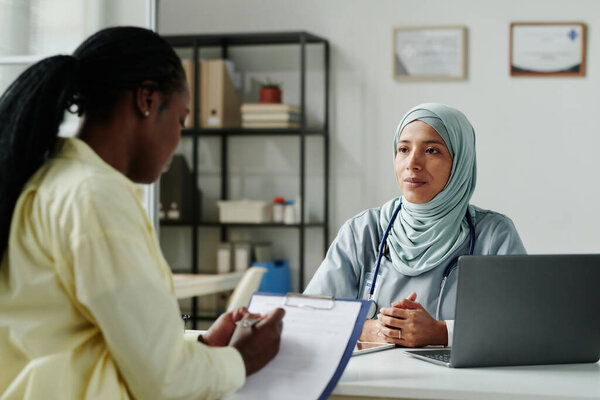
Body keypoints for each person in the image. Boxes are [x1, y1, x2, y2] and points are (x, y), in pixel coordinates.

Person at [0, 26, 284, 400]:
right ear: (146, 100)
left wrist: (203, 350)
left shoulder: (52, 180)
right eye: (181, 121)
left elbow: (112, 349)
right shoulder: (95, 196)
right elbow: (164, 381)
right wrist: (243, 358)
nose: (178, 140)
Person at [304, 103, 526, 348]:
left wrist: (440, 333)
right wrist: (373, 330)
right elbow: (309, 316)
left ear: (461, 161)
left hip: (461, 383)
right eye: (403, 149)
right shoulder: (363, 231)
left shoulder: (494, 235)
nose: (412, 163)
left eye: (431, 150)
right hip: (373, 383)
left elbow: (523, 325)